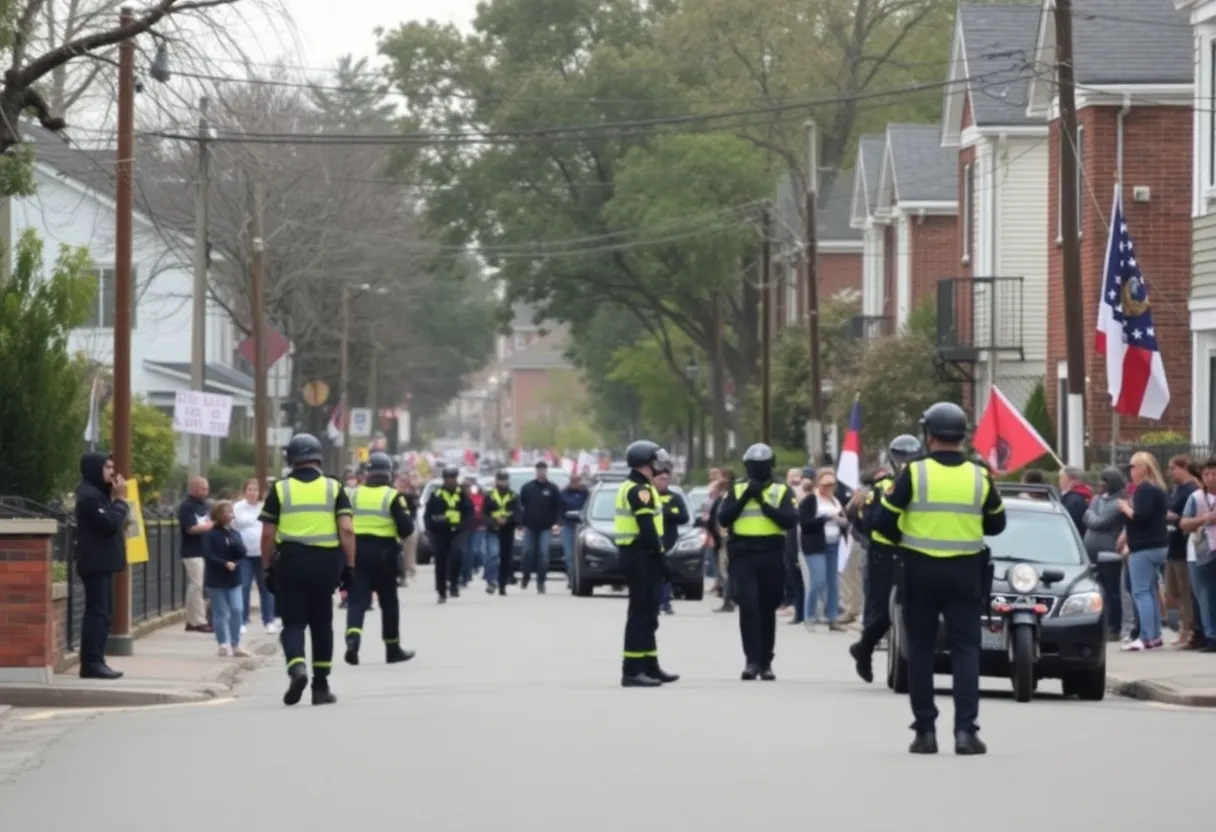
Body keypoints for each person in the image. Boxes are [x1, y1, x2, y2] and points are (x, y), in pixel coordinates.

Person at [871, 403, 1005, 755]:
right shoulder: (979, 475)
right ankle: (965, 732)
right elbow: (997, 524)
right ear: (962, 436)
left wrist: (907, 538)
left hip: (919, 572)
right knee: (966, 649)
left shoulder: (914, 473)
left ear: (928, 435)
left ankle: (925, 732)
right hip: (965, 573)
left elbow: (881, 521)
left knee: (920, 649)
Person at [259, 433, 356, 707]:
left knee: (293, 623)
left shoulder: (280, 489)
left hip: (291, 563)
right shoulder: (334, 488)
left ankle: (297, 668)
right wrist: (350, 567)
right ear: (318, 458)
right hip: (325, 565)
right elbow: (347, 530)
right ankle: (320, 687)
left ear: (291, 459)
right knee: (322, 625)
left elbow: (267, 534)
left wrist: (266, 568)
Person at [717, 444, 798, 680]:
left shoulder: (782, 490)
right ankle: (751, 661)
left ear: (770, 466)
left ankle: (766, 662)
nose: (757, 469)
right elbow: (724, 517)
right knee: (749, 606)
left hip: (772, 555)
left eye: (762, 465)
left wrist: (762, 502)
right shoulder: (737, 489)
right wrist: (745, 498)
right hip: (743, 556)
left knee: (767, 609)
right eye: (753, 465)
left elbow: (789, 520)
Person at [848, 434, 922, 682]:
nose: (905, 463)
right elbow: (870, 520)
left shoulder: (924, 485)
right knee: (884, 609)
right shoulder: (882, 487)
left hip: (916, 552)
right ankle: (865, 648)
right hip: (886, 553)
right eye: (901, 458)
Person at [616, 440, 678, 687]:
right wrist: (661, 557)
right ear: (645, 464)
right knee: (640, 614)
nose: (660, 465)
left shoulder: (642, 487)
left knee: (650, 613)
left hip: (642, 555)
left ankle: (650, 665)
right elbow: (647, 528)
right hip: (639, 555)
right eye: (655, 460)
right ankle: (632, 670)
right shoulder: (639, 490)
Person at [344, 452, 416, 666]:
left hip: (357, 553)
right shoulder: (392, 496)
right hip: (385, 555)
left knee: (357, 600)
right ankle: (392, 649)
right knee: (388, 602)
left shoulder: (354, 495)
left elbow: (344, 522)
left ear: (367, 474)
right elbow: (406, 529)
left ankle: (353, 639)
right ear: (388, 473)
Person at [73, 451, 130, 680]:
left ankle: (97, 660)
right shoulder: (89, 496)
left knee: (104, 613)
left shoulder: (98, 494)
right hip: (94, 561)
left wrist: (114, 495)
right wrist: (121, 502)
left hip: (102, 561)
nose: (112, 472)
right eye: (107, 467)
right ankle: (91, 663)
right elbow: (109, 524)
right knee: (97, 613)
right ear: (95, 469)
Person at [1117, 451, 1170, 652]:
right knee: (1151, 591)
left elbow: (1141, 517)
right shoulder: (1158, 488)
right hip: (1159, 544)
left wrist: (1125, 508)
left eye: (1132, 467)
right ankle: (1155, 635)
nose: (1130, 471)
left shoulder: (1143, 489)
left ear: (1143, 468)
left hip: (1144, 546)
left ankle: (1146, 636)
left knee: (1141, 592)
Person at [799, 468, 848, 631]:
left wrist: (842, 521)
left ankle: (832, 617)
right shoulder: (811, 500)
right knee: (818, 580)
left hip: (833, 543)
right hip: (815, 545)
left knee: (833, 582)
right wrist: (825, 518)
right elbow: (804, 524)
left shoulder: (835, 500)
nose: (828, 488)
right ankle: (809, 615)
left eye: (831, 485)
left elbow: (844, 519)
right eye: (825, 485)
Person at [203, 501, 253, 658]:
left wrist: (235, 547)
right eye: (225, 512)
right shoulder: (211, 534)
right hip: (216, 579)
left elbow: (242, 553)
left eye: (230, 512)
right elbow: (208, 555)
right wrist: (224, 563)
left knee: (237, 609)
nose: (229, 515)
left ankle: (235, 644)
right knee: (221, 612)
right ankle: (222, 644)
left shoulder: (234, 534)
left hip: (233, 579)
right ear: (218, 515)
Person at [1084, 467, 1128, 640]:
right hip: (1092, 555)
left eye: (1104, 482)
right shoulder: (1098, 499)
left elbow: (1100, 522)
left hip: (1110, 554)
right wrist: (1091, 516)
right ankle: (1100, 624)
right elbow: (1087, 515)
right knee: (1098, 591)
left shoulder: (1120, 502)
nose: (1101, 485)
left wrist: (1091, 516)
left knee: (1112, 591)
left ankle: (1114, 627)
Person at [1179, 456, 1216, 652]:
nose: (1210, 477)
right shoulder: (1197, 497)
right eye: (1206, 474)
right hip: (1200, 552)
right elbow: (1184, 523)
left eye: (1214, 474)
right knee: (1205, 595)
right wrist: (1205, 519)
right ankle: (1210, 636)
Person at [1164, 456, 1200, 648]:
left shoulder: (1192, 490)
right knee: (1173, 591)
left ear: (1184, 467)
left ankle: (1189, 630)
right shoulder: (1177, 490)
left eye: (1173, 468)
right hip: (1172, 546)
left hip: (1184, 548)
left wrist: (1176, 518)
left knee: (1186, 592)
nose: (1170, 473)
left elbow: (1191, 517)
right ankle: (1183, 627)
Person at [233, 479, 276, 635]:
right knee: (244, 587)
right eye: (250, 490)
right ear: (245, 491)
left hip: (262, 553)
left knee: (266, 588)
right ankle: (242, 620)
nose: (252, 493)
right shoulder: (238, 507)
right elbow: (234, 527)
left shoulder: (264, 507)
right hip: (245, 554)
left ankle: (269, 620)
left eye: (255, 490)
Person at [425, 465, 473, 602]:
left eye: (452, 477)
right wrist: (431, 527)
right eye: (447, 478)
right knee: (441, 560)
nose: (450, 480)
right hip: (440, 532)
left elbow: (469, 513)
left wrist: (464, 526)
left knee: (457, 553)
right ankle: (441, 591)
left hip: (458, 531)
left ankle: (454, 584)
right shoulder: (436, 495)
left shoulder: (462, 495)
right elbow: (428, 515)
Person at [518, 461, 562, 592]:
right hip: (529, 527)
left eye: (543, 470)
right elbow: (520, 507)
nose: (541, 472)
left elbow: (559, 507)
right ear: (536, 471)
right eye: (539, 470)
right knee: (527, 553)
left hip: (545, 528)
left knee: (543, 555)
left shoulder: (552, 488)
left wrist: (557, 523)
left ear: (546, 471)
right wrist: (520, 523)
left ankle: (541, 582)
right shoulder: (527, 488)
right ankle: (526, 575)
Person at [178, 477, 213, 633]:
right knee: (196, 584)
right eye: (203, 488)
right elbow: (190, 528)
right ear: (194, 488)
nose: (206, 491)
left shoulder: (204, 505)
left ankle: (191, 620)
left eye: (207, 488)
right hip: (192, 551)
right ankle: (199, 620)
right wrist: (208, 526)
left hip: (204, 549)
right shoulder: (187, 506)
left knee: (196, 586)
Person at [655, 468, 689, 615]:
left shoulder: (675, 497)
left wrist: (667, 515)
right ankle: (653, 602)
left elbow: (684, 517)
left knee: (666, 571)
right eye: (660, 478)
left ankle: (665, 602)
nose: (663, 482)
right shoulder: (649, 495)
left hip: (669, 540)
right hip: (652, 538)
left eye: (666, 479)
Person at [485, 470, 519, 594]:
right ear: (496, 481)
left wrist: (508, 520)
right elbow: (484, 514)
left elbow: (519, 514)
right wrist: (493, 521)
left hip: (507, 530)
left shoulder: (514, 496)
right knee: (493, 554)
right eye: (500, 480)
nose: (502, 482)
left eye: (504, 480)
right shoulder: (489, 495)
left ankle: (502, 584)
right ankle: (491, 581)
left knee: (506, 558)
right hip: (493, 530)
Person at [779, 467, 806, 621]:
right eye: (791, 477)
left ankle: (802, 610)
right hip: (788, 539)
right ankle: (797, 609)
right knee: (792, 575)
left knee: (799, 576)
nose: (794, 481)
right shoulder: (785, 493)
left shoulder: (804, 494)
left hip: (801, 540)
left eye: (797, 477)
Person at [560, 474, 590, 589]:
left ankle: (580, 578)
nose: (576, 483)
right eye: (573, 481)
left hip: (582, 527)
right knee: (569, 554)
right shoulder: (563, 493)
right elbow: (560, 509)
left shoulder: (586, 493)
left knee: (581, 555)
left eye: (578, 481)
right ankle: (571, 578)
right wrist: (560, 522)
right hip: (568, 526)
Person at [395, 473, 421, 587]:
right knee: (397, 552)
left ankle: (410, 573)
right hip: (395, 526)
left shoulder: (411, 496)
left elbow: (416, 503)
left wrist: (412, 487)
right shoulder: (393, 495)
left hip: (410, 525)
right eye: (401, 482)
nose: (403, 485)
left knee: (409, 552)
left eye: (405, 483)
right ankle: (401, 574)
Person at [1058, 466, 1093, 535]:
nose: (1059, 481)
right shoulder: (1081, 495)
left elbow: (1068, 522)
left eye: (1061, 477)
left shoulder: (1074, 500)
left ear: (1071, 480)